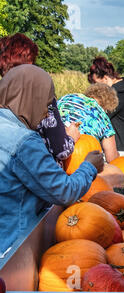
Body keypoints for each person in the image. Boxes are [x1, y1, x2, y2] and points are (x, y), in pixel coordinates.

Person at [0, 64, 104, 256]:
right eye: (46, 104)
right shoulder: (25, 142)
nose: (47, 114)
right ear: (31, 100)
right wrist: (89, 167)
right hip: (12, 250)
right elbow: (64, 191)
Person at [0, 33, 79, 168]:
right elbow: (61, 150)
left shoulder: (4, 91)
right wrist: (71, 137)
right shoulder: (40, 93)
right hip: (42, 176)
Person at [57, 83, 121, 163]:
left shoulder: (67, 97)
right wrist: (117, 155)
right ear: (107, 105)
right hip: (81, 160)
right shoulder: (102, 116)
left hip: (54, 149)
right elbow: (111, 158)